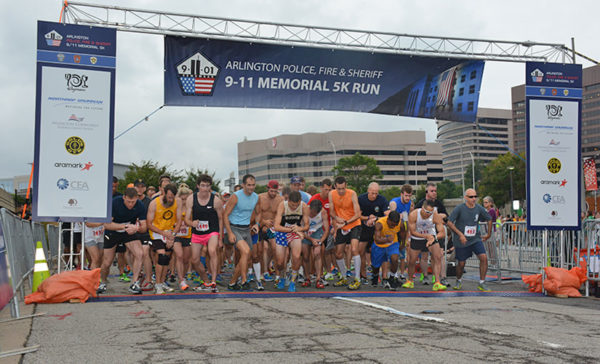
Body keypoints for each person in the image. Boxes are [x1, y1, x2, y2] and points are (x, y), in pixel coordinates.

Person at [98, 187, 147, 294]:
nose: (130, 204)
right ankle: (103, 281)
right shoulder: (115, 202)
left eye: (133, 202)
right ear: (124, 197)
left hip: (128, 232)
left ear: (137, 199)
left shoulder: (140, 205)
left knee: (140, 253)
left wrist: (137, 228)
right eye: (128, 202)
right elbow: (106, 224)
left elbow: (144, 227)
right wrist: (124, 226)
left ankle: (135, 283)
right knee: (107, 262)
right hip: (113, 231)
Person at [446, 188, 493, 292]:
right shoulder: (459, 208)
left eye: (475, 196)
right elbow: (449, 222)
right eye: (471, 197)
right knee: (461, 264)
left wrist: (488, 234)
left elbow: (489, 219)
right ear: (465, 198)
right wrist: (460, 234)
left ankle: (482, 282)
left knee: (484, 258)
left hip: (475, 239)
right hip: (462, 241)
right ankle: (458, 280)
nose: (474, 199)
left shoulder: (478, 208)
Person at [185, 175, 223, 293]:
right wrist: (192, 223)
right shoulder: (191, 199)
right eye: (202, 185)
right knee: (195, 260)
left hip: (212, 230)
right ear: (198, 186)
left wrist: (220, 237)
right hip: (197, 232)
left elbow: (221, 219)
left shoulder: (216, 200)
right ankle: (206, 281)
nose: (205, 188)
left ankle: (213, 281)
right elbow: (186, 219)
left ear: (210, 187)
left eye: (207, 186)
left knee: (212, 251)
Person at [223, 174, 260, 291]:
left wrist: (257, 224)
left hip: (246, 229)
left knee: (247, 257)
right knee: (246, 251)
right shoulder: (236, 196)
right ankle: (244, 281)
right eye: (248, 185)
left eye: (253, 185)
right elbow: (225, 215)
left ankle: (233, 282)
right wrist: (229, 233)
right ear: (243, 185)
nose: (251, 187)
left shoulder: (256, 197)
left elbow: (259, 213)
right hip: (234, 228)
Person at [402, 199, 447, 291]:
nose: (428, 214)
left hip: (431, 236)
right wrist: (425, 236)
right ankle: (410, 280)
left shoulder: (435, 215)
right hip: (418, 237)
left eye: (431, 212)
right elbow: (413, 232)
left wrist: (434, 238)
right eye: (427, 212)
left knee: (437, 257)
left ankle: (437, 282)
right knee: (412, 260)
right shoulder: (414, 215)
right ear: (422, 208)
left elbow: (442, 232)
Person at [328, 176, 362, 290]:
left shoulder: (352, 193)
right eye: (338, 189)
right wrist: (337, 220)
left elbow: (358, 214)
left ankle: (357, 279)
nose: (341, 191)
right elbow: (331, 212)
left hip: (354, 223)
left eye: (343, 188)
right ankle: (343, 277)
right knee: (338, 253)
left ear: (346, 186)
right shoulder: (331, 194)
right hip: (340, 224)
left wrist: (346, 222)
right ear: (335, 187)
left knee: (354, 249)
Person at [273, 191, 310, 292]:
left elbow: (307, 225)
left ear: (300, 201)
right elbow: (276, 226)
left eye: (296, 205)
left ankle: (293, 281)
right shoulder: (282, 205)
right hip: (283, 232)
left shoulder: (304, 206)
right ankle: (282, 276)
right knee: (280, 262)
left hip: (295, 233)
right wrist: (293, 230)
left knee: (297, 256)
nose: (294, 207)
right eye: (292, 205)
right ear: (288, 201)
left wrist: (300, 229)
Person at [147, 183, 179, 294]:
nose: (171, 200)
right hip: (156, 232)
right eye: (169, 197)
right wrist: (163, 234)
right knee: (161, 255)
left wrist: (172, 236)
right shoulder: (154, 203)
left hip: (169, 233)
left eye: (173, 197)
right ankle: (158, 284)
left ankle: (162, 282)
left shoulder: (176, 202)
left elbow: (179, 222)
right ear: (164, 193)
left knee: (167, 258)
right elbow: (149, 224)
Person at [414, 182, 449, 285]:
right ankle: (425, 276)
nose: (434, 193)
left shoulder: (438, 203)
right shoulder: (421, 203)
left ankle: (442, 277)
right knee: (424, 255)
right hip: (425, 232)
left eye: (435, 191)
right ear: (427, 192)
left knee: (439, 255)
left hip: (437, 232)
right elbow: (414, 216)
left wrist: (439, 216)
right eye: (432, 191)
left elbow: (446, 216)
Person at [358, 182, 388, 284]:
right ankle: (363, 276)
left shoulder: (382, 200)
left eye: (376, 193)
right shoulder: (361, 199)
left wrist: (375, 219)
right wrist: (367, 218)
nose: (374, 195)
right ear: (368, 191)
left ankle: (384, 277)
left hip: (378, 228)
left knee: (382, 252)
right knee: (360, 251)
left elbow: (386, 215)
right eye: (372, 193)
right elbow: (357, 215)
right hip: (364, 228)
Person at [257, 180, 284, 283]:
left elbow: (280, 216)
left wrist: (272, 225)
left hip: (272, 228)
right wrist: (263, 222)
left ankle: (277, 275)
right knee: (261, 250)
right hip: (261, 226)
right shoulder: (260, 198)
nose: (273, 193)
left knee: (275, 249)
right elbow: (255, 214)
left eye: (275, 191)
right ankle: (263, 272)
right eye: (271, 191)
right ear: (267, 188)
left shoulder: (280, 200)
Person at [309, 178, 335, 284]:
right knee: (315, 252)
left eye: (329, 189)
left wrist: (334, 227)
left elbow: (335, 213)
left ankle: (326, 272)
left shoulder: (332, 198)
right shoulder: (315, 199)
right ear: (321, 188)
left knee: (326, 251)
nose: (327, 192)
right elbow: (309, 213)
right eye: (325, 189)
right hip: (315, 229)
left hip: (328, 228)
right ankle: (313, 273)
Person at [388, 184, 414, 282]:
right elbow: (392, 217)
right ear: (401, 194)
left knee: (402, 254)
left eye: (409, 196)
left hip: (403, 232)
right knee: (393, 256)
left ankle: (401, 274)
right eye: (406, 195)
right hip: (394, 231)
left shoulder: (410, 203)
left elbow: (410, 219)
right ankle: (391, 275)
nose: (408, 198)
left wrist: (408, 235)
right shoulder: (394, 202)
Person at [301, 199, 329, 288]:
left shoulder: (323, 212)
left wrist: (320, 241)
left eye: (315, 214)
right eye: (312, 213)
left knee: (317, 253)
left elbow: (326, 230)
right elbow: (300, 230)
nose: (313, 215)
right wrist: (310, 239)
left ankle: (318, 278)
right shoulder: (304, 211)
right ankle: (307, 277)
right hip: (305, 231)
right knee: (305, 255)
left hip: (317, 231)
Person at [371, 211, 402, 290]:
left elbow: (403, 233)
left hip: (392, 244)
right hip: (379, 245)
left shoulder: (400, 224)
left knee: (395, 259)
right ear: (388, 219)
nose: (393, 227)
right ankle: (375, 275)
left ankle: (391, 278)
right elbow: (377, 239)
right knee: (375, 266)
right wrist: (386, 239)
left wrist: (403, 243)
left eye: (395, 225)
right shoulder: (379, 224)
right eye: (391, 224)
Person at [134, 179, 154, 291]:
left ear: (145, 188)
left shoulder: (149, 201)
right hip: (133, 231)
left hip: (146, 232)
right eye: (138, 186)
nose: (140, 189)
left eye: (142, 187)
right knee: (134, 254)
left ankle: (149, 279)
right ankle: (137, 276)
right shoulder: (131, 200)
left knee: (145, 253)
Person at [173, 184, 193, 291]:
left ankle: (183, 276)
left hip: (187, 235)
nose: (184, 200)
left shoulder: (191, 208)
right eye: (182, 198)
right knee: (179, 255)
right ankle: (181, 280)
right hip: (176, 235)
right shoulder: (175, 207)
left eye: (186, 198)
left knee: (186, 259)